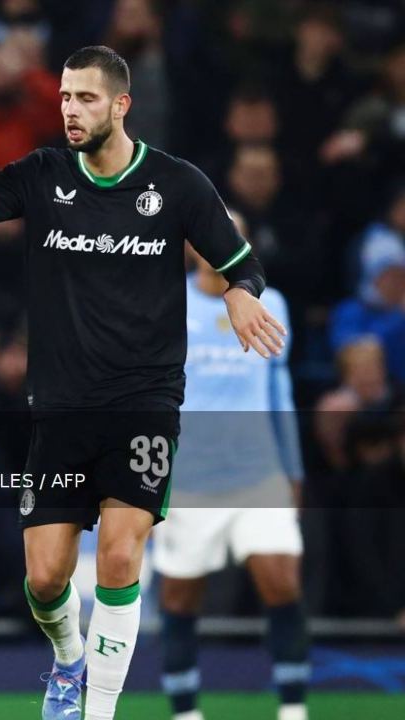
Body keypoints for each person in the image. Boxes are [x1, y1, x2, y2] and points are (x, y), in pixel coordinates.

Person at [0, 48, 285, 720]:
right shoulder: (42, 174)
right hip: (60, 409)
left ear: (121, 105)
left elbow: (244, 264)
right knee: (45, 579)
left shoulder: (176, 185)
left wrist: (239, 291)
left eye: (87, 99)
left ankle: (99, 711)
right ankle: (68, 662)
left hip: (144, 405)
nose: (70, 109)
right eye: (65, 97)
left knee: (120, 558)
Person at [154, 227, 309, 720]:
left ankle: (293, 710)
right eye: (208, 237)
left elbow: (278, 391)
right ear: (191, 248)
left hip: (258, 472)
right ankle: (185, 711)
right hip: (188, 479)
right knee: (179, 597)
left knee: (282, 582)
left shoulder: (274, 303)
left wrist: (292, 468)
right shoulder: (165, 302)